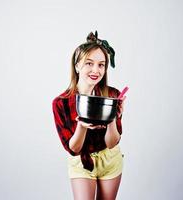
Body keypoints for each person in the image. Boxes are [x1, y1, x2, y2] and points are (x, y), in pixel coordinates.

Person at [52, 31, 126, 200]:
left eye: (101, 65)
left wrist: (113, 117)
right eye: (89, 63)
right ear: (77, 65)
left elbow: (112, 142)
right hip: (81, 162)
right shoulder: (61, 103)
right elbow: (74, 149)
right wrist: (82, 125)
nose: (96, 70)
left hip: (110, 159)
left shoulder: (112, 95)